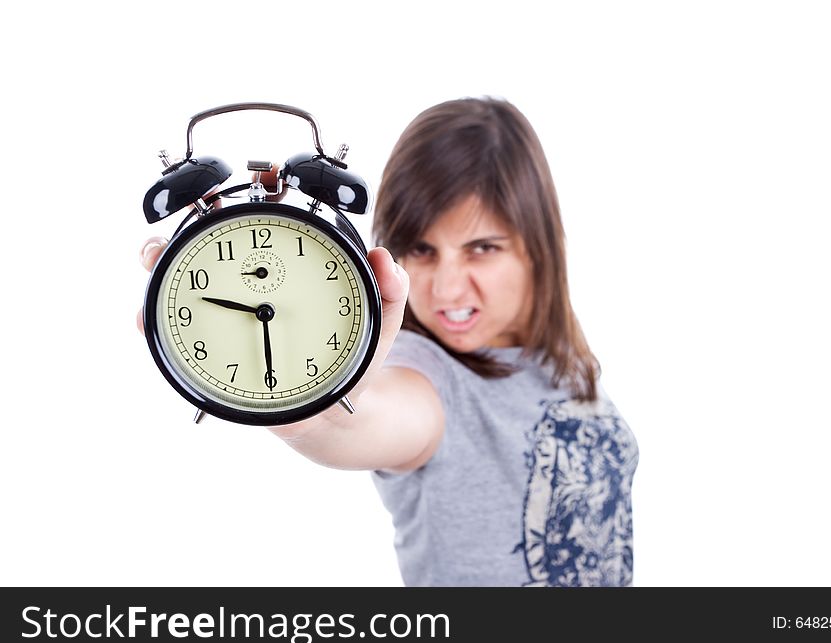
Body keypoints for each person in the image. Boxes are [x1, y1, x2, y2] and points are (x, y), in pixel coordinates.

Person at [138, 97, 639, 587]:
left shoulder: (563, 363)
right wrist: (317, 408)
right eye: (422, 249)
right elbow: (363, 422)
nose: (445, 288)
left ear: (539, 245)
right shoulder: (430, 376)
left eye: (481, 248)